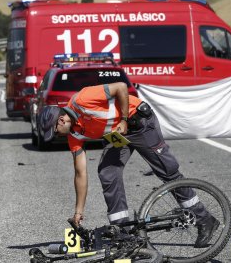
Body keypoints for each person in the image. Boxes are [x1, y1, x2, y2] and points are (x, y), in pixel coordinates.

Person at [39, 82, 219, 248]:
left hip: (138, 122)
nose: (57, 135)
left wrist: (124, 119)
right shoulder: (74, 135)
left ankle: (204, 219)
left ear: (61, 120)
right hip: (119, 135)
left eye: (54, 131)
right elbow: (80, 173)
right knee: (107, 173)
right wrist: (78, 211)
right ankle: (122, 231)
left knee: (167, 171)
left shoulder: (82, 99)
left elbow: (121, 87)